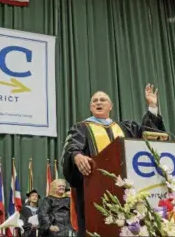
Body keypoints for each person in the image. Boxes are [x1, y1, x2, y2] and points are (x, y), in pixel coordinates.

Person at [61, 84, 166, 236]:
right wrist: (76, 156)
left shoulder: (126, 128)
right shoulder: (82, 128)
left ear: (110, 106)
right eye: (95, 101)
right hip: (94, 192)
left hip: (127, 190)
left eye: (103, 100)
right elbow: (72, 146)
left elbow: (151, 134)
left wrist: (152, 106)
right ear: (91, 107)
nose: (98, 102)